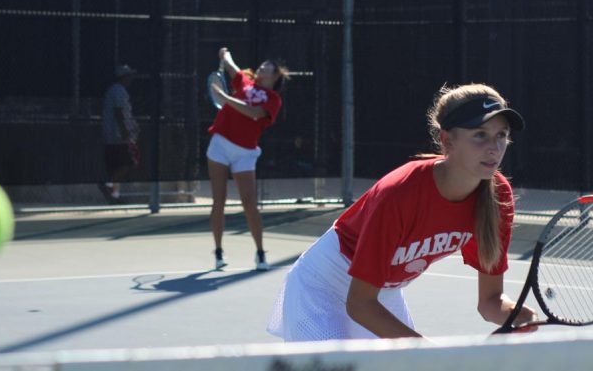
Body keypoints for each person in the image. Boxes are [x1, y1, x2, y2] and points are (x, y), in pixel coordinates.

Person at [266, 83, 539, 341]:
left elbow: (490, 303)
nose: (494, 148)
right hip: (322, 285)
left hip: (379, 292)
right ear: (447, 141)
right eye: (480, 135)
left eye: (501, 135)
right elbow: (360, 305)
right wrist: (430, 355)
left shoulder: (497, 196)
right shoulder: (400, 194)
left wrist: (515, 314)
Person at [207, 47, 290, 271]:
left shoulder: (273, 100)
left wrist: (224, 98)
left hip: (245, 152)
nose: (261, 68)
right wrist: (224, 54)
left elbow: (253, 114)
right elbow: (230, 64)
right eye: (261, 66)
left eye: (267, 68)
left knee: (249, 203)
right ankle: (218, 252)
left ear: (274, 77)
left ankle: (260, 253)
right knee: (219, 200)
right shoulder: (244, 82)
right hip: (220, 144)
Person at [99, 64, 140, 204]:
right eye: (129, 75)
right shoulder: (118, 91)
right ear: (124, 77)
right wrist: (124, 131)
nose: (131, 78)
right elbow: (119, 112)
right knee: (127, 163)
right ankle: (109, 185)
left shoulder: (116, 90)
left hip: (113, 137)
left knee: (115, 166)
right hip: (117, 137)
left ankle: (114, 196)